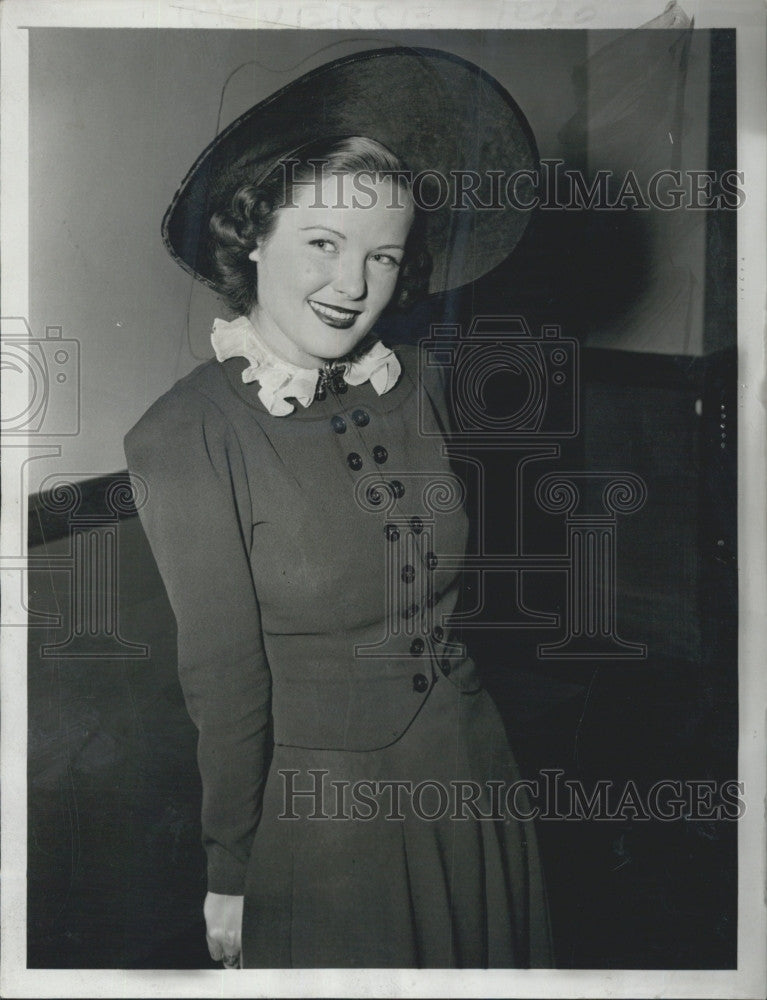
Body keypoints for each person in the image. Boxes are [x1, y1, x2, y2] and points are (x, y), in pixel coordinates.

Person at [124, 46, 552, 969]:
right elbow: (224, 685)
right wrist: (230, 871)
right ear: (253, 238)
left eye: (382, 255)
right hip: (326, 821)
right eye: (321, 242)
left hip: (473, 775)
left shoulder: (417, 384)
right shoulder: (184, 435)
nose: (352, 285)